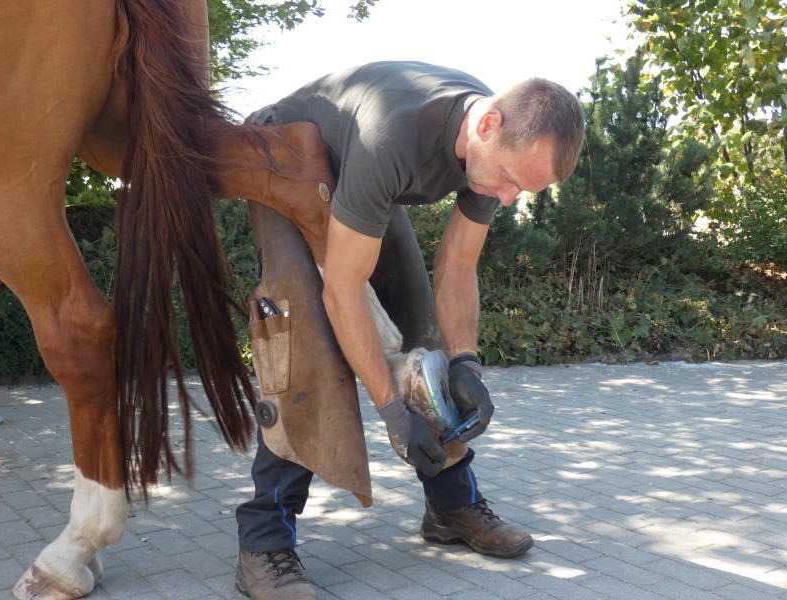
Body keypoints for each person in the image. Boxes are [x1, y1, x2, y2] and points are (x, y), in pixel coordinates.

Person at [235, 61, 585, 600]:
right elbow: (342, 292)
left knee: (424, 348)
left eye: (523, 190)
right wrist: (393, 413)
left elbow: (459, 265)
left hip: (351, 175)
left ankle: (450, 506)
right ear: (487, 125)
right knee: (307, 353)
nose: (509, 198)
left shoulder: (491, 148)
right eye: (511, 180)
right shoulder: (393, 137)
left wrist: (466, 362)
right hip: (281, 157)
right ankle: (263, 543)